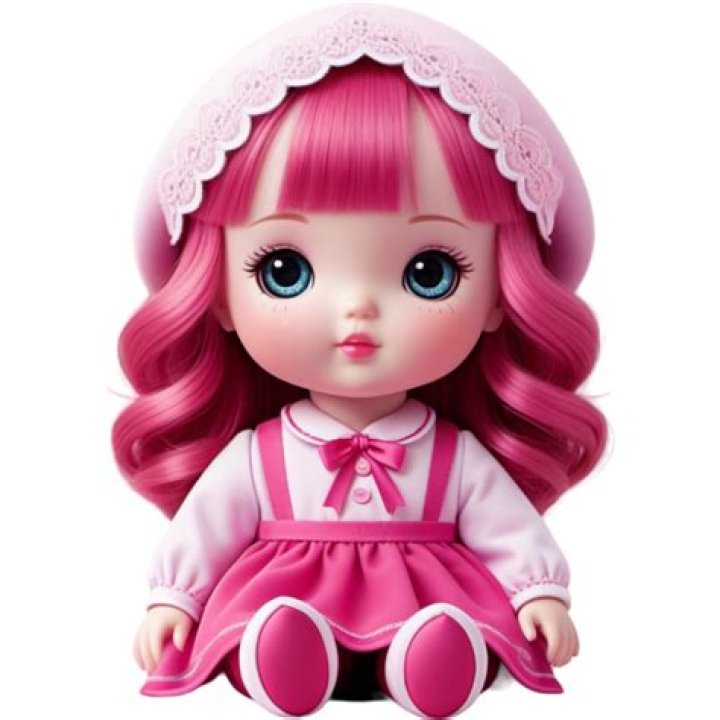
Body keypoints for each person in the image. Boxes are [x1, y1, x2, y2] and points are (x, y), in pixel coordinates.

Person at [112, 4, 607, 717]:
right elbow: (208, 526)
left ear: (502, 295)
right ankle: (283, 656)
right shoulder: (260, 455)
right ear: (217, 294)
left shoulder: (452, 456)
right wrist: (175, 599)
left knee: (441, 633)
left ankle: (434, 662)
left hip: (427, 599)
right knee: (268, 625)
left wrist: (538, 592)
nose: (357, 311)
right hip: (286, 595)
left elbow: (505, 526)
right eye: (284, 270)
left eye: (429, 272)